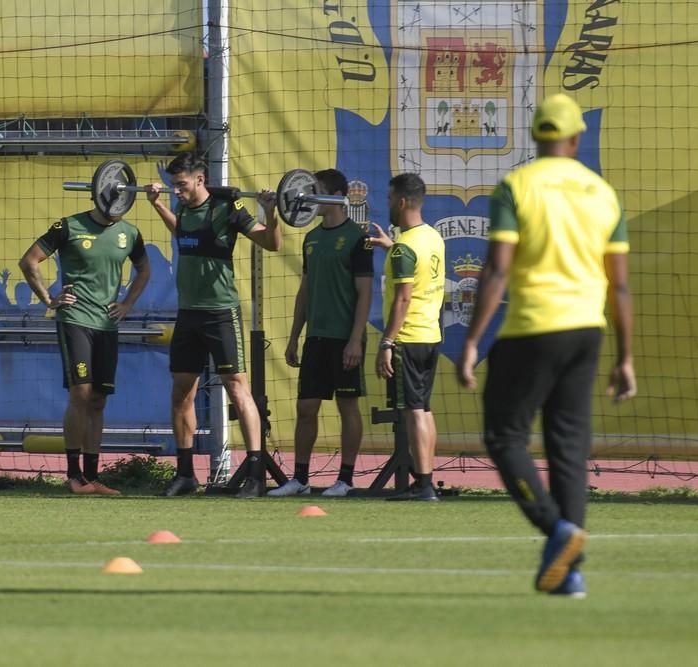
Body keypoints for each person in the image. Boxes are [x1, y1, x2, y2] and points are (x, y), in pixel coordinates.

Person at [457, 94, 635, 598]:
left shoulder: (517, 186)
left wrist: (472, 341)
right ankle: (569, 573)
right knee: (569, 449)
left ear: (536, 137)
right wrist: (624, 358)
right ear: (577, 139)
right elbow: (619, 285)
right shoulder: (603, 194)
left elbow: (496, 269)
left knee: (504, 437)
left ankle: (555, 526)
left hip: (533, 328)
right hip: (587, 331)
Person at [146, 152, 281, 498]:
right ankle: (186, 474)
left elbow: (271, 242)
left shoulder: (229, 209)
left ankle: (254, 475)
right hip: (188, 313)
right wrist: (158, 205)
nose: (177, 191)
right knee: (181, 393)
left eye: (181, 185)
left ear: (200, 179)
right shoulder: (182, 208)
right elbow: (184, 235)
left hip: (221, 312)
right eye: (174, 186)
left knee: (238, 389)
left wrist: (272, 211)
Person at [19, 196, 150, 495]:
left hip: (107, 325)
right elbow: (29, 262)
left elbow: (144, 270)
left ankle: (93, 477)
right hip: (75, 320)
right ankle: (74, 474)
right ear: (97, 194)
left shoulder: (129, 233)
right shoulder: (68, 226)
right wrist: (49, 300)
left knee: (99, 399)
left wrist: (128, 303)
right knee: (82, 392)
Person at [268, 169, 373, 497]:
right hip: (316, 337)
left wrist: (355, 339)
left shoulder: (359, 237)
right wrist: (294, 336)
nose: (310, 196)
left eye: (317, 191)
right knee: (306, 408)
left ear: (335, 195)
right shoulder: (311, 238)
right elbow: (306, 289)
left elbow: (366, 293)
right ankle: (300, 479)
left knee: (347, 407)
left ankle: (346, 479)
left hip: (345, 338)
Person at [369, 173, 445, 501]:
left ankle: (425, 485)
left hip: (407, 338)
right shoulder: (431, 237)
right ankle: (425, 480)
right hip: (430, 335)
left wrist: (386, 342)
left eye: (388, 199)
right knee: (423, 409)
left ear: (401, 202)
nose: (386, 205)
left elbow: (403, 299)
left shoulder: (405, 248)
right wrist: (391, 247)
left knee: (413, 411)